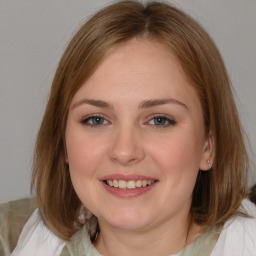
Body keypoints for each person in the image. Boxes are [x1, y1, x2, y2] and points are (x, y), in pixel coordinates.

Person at [12, 1, 256, 255]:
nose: (125, 151)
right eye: (96, 119)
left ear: (208, 145)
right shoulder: (39, 243)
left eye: (159, 120)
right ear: (63, 141)